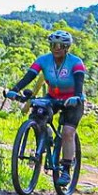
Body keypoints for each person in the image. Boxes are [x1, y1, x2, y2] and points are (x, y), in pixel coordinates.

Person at [6, 30, 87, 186]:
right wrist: (15, 90)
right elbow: (29, 76)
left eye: (60, 45)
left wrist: (76, 97)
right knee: (37, 113)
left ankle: (66, 170)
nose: (56, 48)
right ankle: (45, 136)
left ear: (66, 47)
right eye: (53, 45)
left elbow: (79, 83)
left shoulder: (76, 63)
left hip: (72, 99)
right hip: (53, 96)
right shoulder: (44, 60)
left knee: (67, 132)